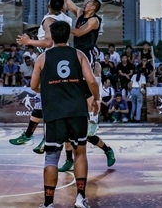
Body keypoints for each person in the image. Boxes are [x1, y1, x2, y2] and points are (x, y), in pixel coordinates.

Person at [52, 0, 116, 172]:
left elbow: (79, 33)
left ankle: (105, 146)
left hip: (86, 53)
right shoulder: (79, 13)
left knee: (86, 133)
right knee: (67, 127)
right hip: (75, 54)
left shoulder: (94, 20)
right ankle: (69, 159)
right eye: (86, 2)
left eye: (89, 3)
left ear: (94, 8)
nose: (86, 3)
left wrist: (60, 27)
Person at [30, 21, 100, 208]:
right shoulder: (78, 54)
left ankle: (48, 203)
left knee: (51, 157)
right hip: (77, 111)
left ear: (51, 36)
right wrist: (97, 99)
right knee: (80, 153)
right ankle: (80, 198)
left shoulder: (43, 58)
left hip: (54, 113)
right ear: (69, 35)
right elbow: (92, 81)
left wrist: (49, 90)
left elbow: (33, 86)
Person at [9, 0, 73, 152]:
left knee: (44, 99)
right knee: (43, 102)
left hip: (51, 62)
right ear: (62, 7)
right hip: (63, 61)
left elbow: (48, 42)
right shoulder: (65, 17)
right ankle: (34, 136)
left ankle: (42, 137)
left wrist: (28, 41)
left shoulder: (49, 20)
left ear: (48, 4)